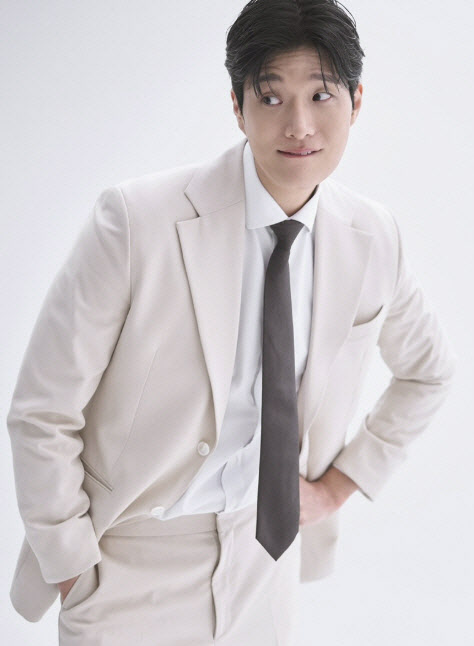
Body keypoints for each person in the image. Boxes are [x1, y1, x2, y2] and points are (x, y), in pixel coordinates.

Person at [6, 0, 456, 644]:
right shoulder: (137, 221)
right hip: (130, 561)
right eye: (271, 98)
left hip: (264, 564)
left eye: (321, 95)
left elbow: (428, 373)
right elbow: (43, 411)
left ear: (356, 102)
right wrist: (72, 565)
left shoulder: (371, 236)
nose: (299, 125)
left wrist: (338, 485)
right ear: (237, 107)